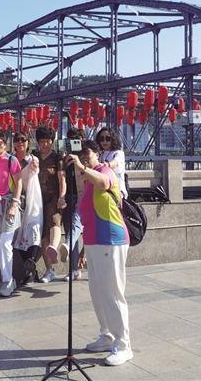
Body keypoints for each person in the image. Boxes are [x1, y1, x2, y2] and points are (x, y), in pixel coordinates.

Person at [66, 140, 132, 366]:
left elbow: (104, 183)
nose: (83, 156)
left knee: (112, 292)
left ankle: (124, 344)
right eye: (79, 153)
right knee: (97, 292)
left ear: (97, 154)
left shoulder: (104, 171)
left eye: (87, 152)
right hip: (94, 242)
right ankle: (107, 335)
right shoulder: (86, 181)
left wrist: (82, 167)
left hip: (111, 240)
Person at [0, 132, 23, 297]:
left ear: (5, 144)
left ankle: (8, 281)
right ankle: (7, 279)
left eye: (0, 142)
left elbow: (19, 182)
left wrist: (14, 203)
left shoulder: (11, 160)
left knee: (5, 243)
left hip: (8, 204)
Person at [32, 126, 66, 283]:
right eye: (42, 142)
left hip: (54, 197)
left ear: (52, 142)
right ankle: (49, 270)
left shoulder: (57, 158)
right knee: (42, 235)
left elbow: (62, 179)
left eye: (47, 141)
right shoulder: (34, 156)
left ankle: (54, 246)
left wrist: (62, 196)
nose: (44, 145)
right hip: (37, 198)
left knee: (54, 220)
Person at [11, 133, 43, 285]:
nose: (20, 143)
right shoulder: (11, 160)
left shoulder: (33, 159)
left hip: (32, 199)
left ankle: (31, 266)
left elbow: (35, 169)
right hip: (16, 199)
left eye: (23, 140)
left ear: (28, 143)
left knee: (34, 231)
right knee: (17, 235)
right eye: (17, 140)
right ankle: (31, 270)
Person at [63, 127, 86, 281]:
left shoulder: (85, 156)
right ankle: (74, 269)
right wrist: (64, 162)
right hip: (69, 196)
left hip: (82, 196)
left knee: (76, 228)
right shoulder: (66, 157)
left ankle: (79, 265)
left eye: (76, 140)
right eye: (71, 140)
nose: (74, 143)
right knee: (71, 231)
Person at [96, 127, 127, 198]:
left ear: (113, 139)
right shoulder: (99, 154)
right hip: (103, 190)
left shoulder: (118, 153)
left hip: (116, 192)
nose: (104, 141)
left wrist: (107, 165)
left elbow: (116, 162)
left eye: (108, 138)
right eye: (101, 139)